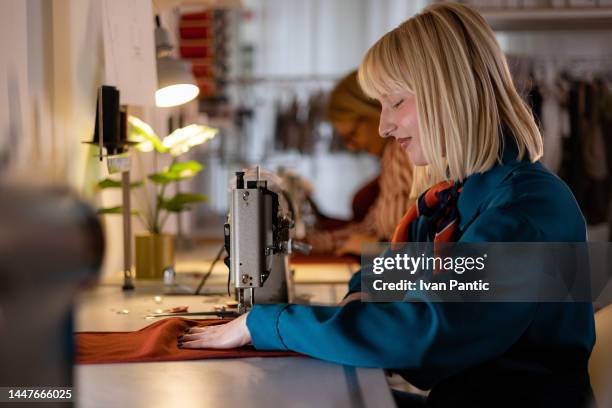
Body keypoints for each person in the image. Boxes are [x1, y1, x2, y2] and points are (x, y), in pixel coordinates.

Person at [177, 4, 595, 407]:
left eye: (395, 102)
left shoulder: (525, 211)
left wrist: (266, 323)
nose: (384, 125)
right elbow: (390, 272)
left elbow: (427, 334)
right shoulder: (462, 197)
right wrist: (355, 303)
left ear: (447, 95)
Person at [306, 70, 416, 255]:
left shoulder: (403, 153)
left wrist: (372, 248)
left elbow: (418, 247)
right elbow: (371, 227)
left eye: (352, 135)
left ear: (371, 111)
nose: (351, 147)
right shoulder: (392, 158)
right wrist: (312, 243)